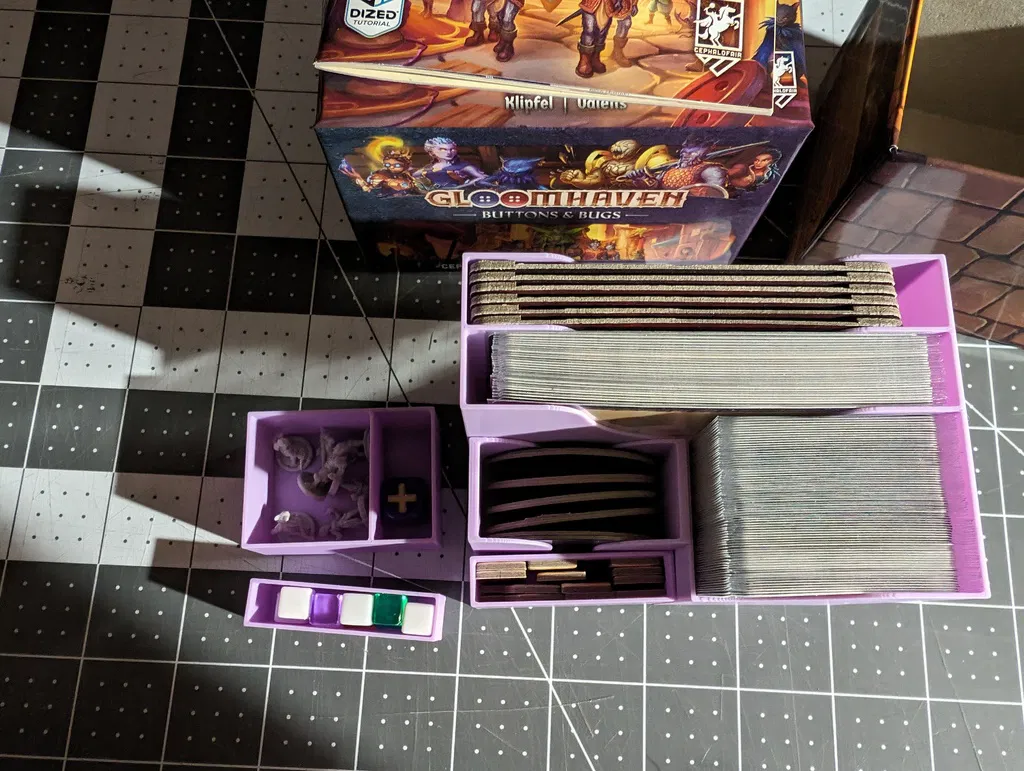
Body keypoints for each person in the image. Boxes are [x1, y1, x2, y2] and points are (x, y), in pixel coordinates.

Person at [414, 137, 488, 188]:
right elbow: (414, 176)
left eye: (452, 149)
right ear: (431, 152)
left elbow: (483, 177)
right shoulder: (428, 168)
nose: (448, 153)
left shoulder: (465, 166)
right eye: (443, 149)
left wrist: (464, 186)